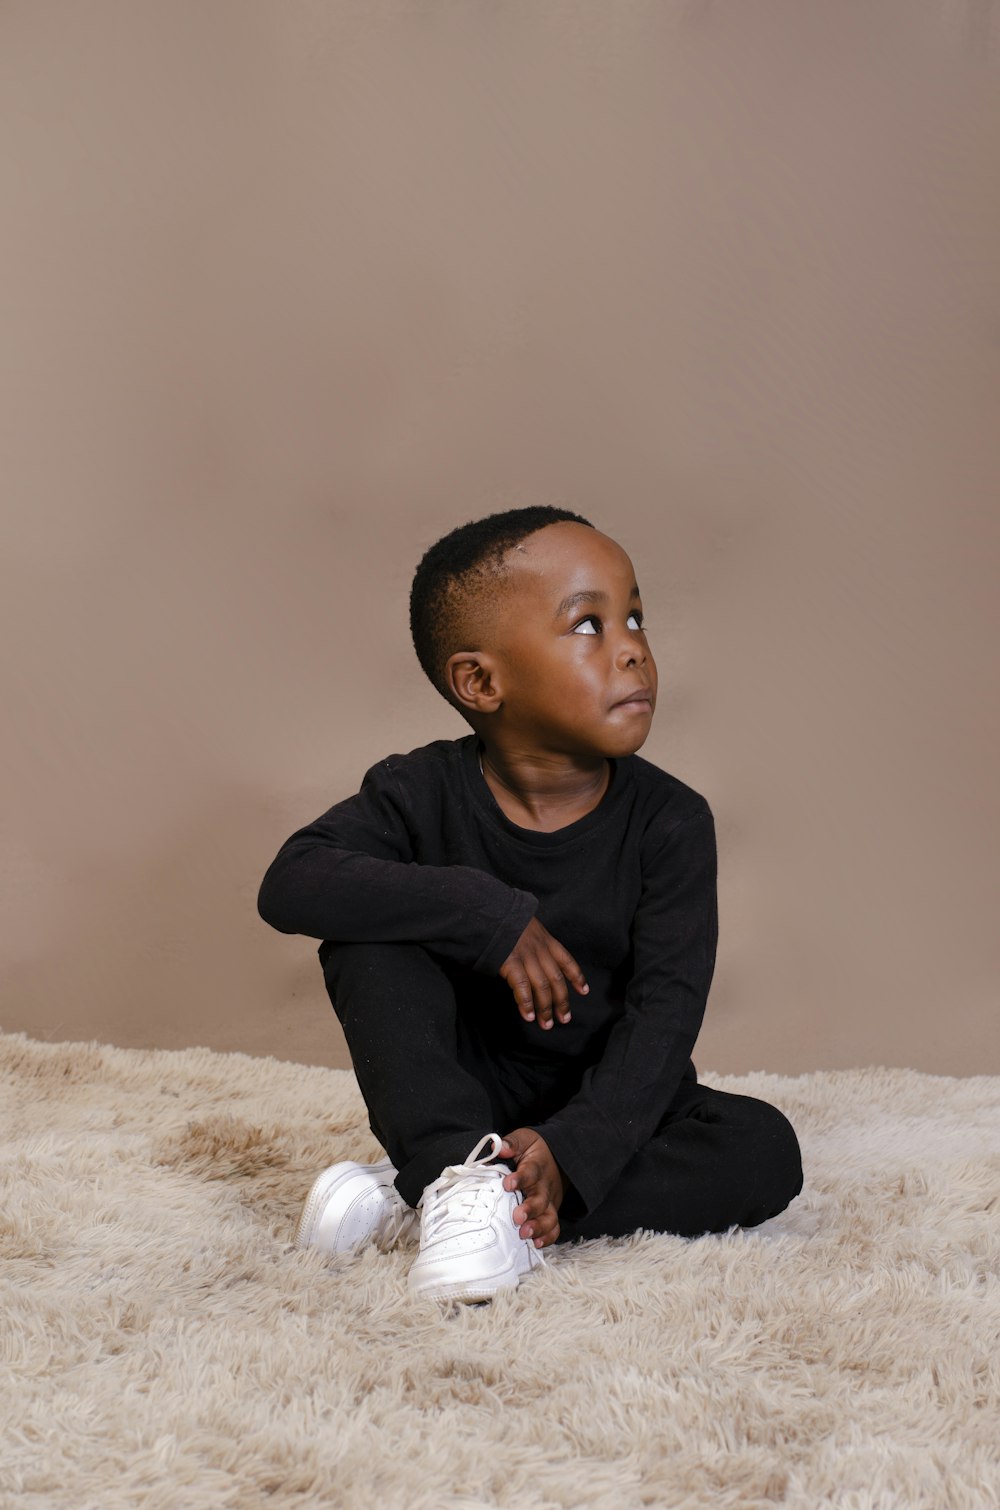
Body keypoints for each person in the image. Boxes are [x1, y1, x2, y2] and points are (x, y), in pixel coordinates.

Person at [257, 505, 804, 1304]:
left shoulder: (673, 821)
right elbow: (291, 882)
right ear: (481, 681)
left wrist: (578, 1146)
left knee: (764, 1149)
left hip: (608, 1094)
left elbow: (666, 1012)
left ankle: (441, 1201)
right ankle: (454, 1170)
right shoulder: (417, 792)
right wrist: (487, 914)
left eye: (636, 617)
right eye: (588, 625)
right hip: (461, 1090)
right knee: (367, 937)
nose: (633, 650)